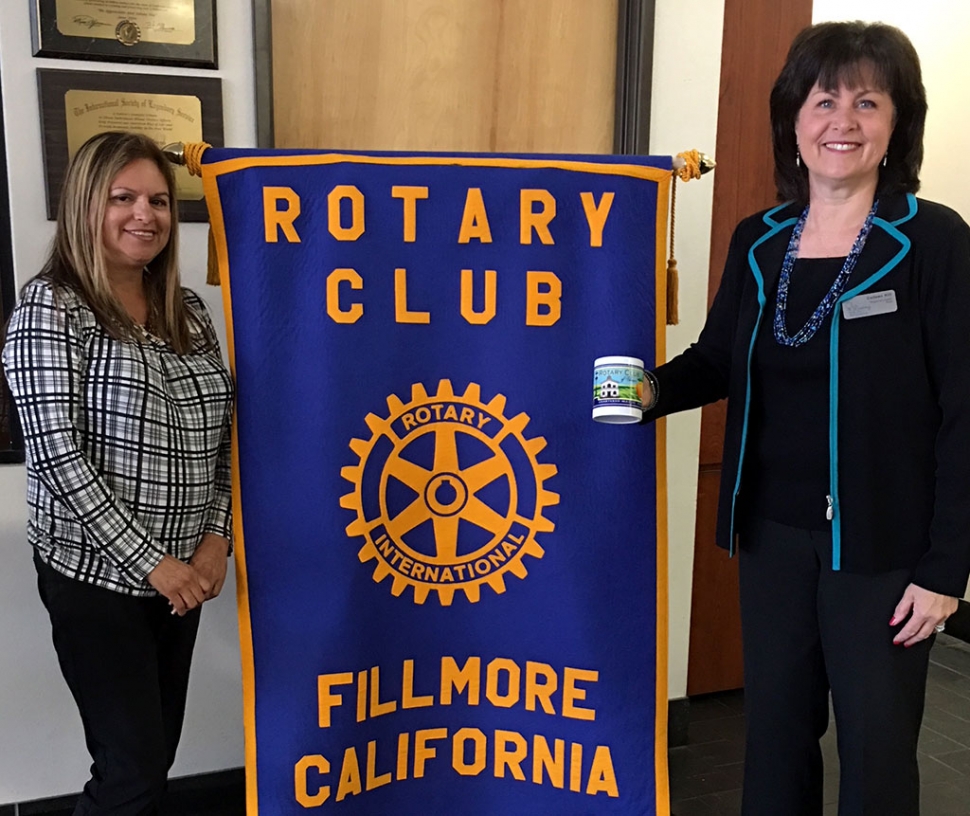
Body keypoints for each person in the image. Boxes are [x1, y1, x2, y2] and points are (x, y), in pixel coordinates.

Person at [641, 21, 970, 816]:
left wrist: (945, 571)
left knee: (877, 745)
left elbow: (966, 409)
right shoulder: (760, 241)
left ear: (898, 123)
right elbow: (716, 361)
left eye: (868, 101)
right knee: (777, 736)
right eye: (825, 101)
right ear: (795, 117)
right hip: (772, 537)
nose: (843, 122)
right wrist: (637, 395)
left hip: (886, 550)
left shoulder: (933, 241)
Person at [2, 132, 234, 815]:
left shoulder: (187, 311)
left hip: (183, 577)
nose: (146, 215)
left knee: (150, 760)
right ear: (84, 205)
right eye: (123, 197)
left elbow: (225, 436)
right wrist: (154, 563)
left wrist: (216, 539)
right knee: (130, 771)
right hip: (98, 581)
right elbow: (56, 455)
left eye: (160, 200)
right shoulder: (52, 307)